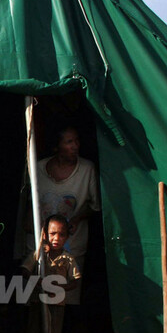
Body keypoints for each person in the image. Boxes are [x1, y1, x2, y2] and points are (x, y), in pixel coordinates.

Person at [26, 125, 100, 304]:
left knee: (66, 301)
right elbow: (28, 206)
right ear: (56, 146)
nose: (75, 146)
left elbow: (95, 206)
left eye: (77, 141)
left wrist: (77, 218)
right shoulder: (37, 169)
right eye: (69, 142)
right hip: (40, 248)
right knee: (37, 301)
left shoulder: (87, 169)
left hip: (71, 247)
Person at [19, 215, 81, 333]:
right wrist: (39, 282)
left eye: (61, 235)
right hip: (37, 302)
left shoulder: (68, 258)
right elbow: (24, 270)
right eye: (53, 234)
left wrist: (60, 288)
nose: (56, 238)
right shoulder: (39, 254)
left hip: (57, 306)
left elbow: (75, 281)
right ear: (45, 234)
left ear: (67, 237)